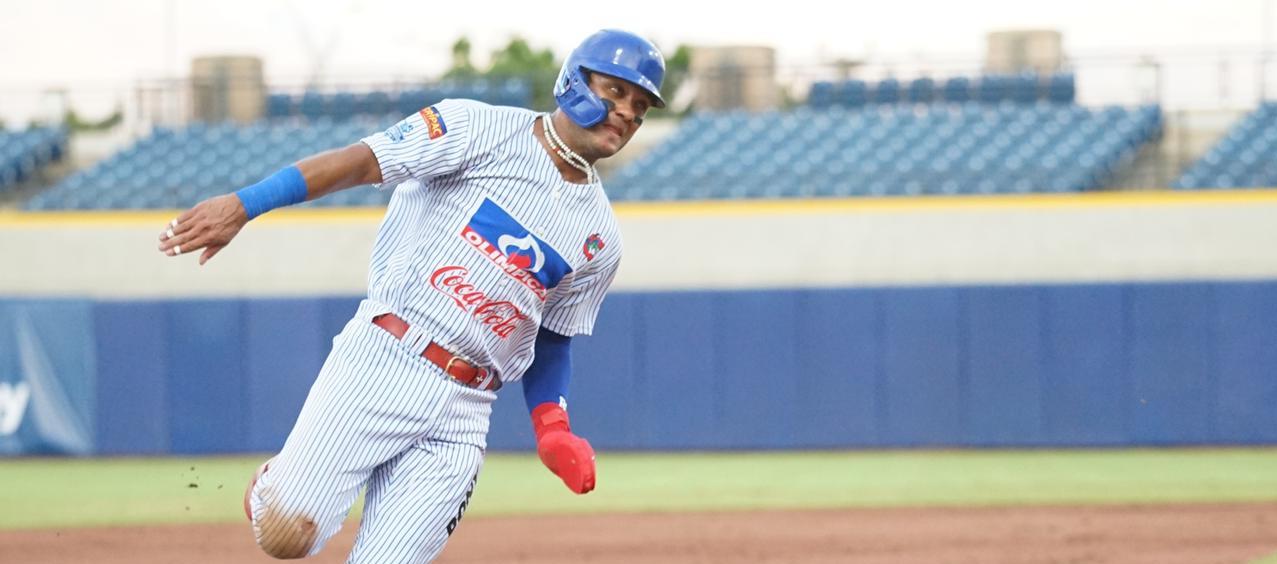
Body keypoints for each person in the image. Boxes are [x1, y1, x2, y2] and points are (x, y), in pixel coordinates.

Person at [155, 29, 665, 562]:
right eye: (615, 91)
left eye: (640, 106)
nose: (627, 112)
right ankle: (273, 485)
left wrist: (553, 428)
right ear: (573, 82)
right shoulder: (478, 127)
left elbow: (553, 342)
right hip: (385, 358)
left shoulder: (601, 239)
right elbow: (362, 160)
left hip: (467, 407)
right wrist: (246, 204)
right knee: (286, 535)